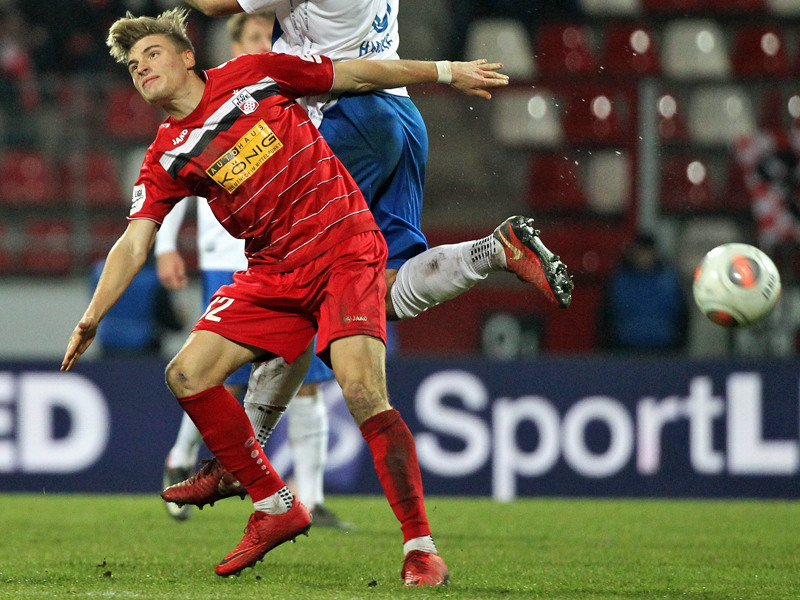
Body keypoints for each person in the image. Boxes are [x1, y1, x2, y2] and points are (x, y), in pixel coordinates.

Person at [62, 8, 509, 583]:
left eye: (151, 53)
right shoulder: (166, 156)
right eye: (131, 65)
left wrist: (446, 72)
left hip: (343, 242)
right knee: (186, 373)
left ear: (186, 56)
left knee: (361, 390)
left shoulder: (253, 73)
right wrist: (93, 315)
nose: (142, 68)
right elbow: (133, 242)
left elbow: (356, 75)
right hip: (273, 270)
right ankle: (274, 506)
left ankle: (420, 548)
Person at [163, 0, 573, 517]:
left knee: (297, 288)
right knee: (384, 287)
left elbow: (214, 5)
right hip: (397, 115)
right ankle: (494, 249)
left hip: (341, 115)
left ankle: (242, 453)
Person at [157, 9, 348, 529]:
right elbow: (170, 185)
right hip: (230, 261)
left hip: (293, 255)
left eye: (272, 34)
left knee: (304, 379)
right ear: (238, 44)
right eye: (259, 36)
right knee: (219, 376)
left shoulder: (280, 90)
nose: (270, 42)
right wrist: (166, 247)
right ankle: (183, 455)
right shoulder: (212, 97)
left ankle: (312, 494)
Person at [599, 233, 688, 353]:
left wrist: (679, 347)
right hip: (625, 350)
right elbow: (607, 316)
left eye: (647, 252)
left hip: (664, 350)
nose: (643, 257)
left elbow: (682, 316)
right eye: (640, 252)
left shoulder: (669, 281)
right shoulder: (619, 281)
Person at [90, 256, 183, 358]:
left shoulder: (100, 272)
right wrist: (180, 322)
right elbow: (166, 317)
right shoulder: (155, 278)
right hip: (144, 348)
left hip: (108, 344)